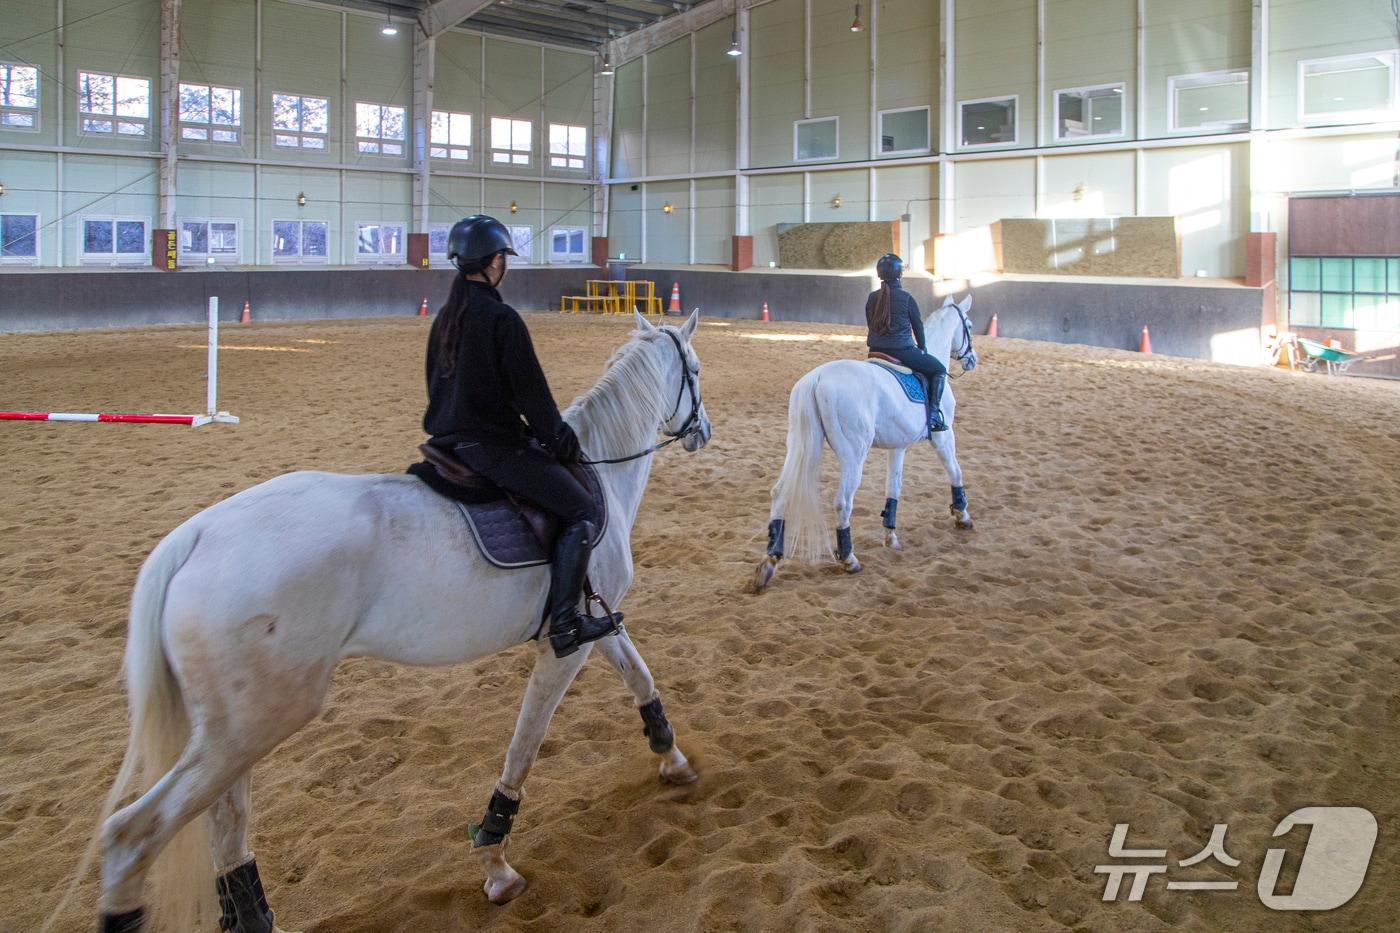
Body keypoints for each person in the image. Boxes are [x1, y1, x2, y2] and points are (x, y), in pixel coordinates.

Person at [423, 214, 618, 658]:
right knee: (580, 509)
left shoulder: (445, 319)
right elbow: (534, 397)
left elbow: (435, 386)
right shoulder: (501, 318)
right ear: (495, 262)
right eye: (503, 258)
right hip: (492, 448)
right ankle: (565, 622)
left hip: (447, 446)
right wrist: (562, 442)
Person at [865, 253, 947, 433]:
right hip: (901, 350)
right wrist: (922, 347)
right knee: (939, 369)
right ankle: (933, 413)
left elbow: (870, 323)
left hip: (875, 350)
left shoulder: (872, 297)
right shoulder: (907, 298)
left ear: (879, 274)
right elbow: (918, 327)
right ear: (899, 274)